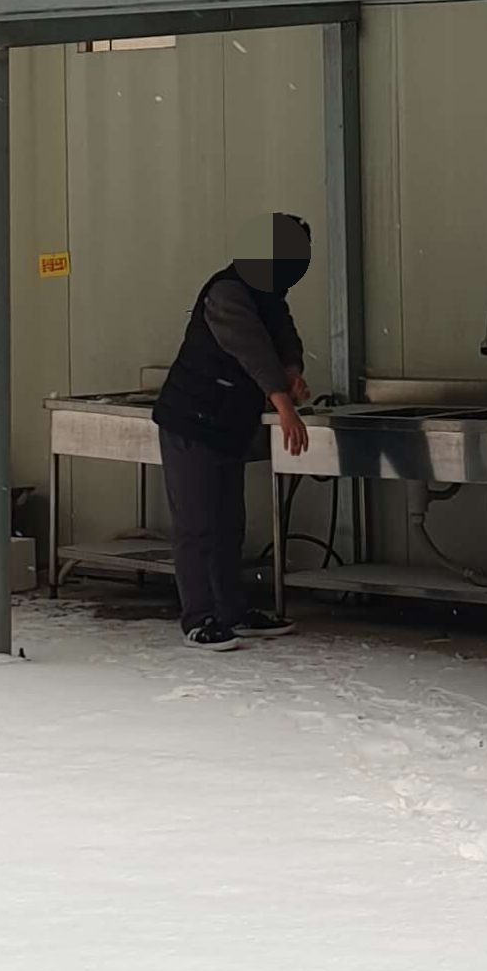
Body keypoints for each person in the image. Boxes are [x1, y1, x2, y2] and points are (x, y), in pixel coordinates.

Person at [150, 213, 312, 649]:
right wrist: (283, 404)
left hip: (226, 424)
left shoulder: (268, 292)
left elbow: (283, 337)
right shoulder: (228, 292)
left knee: (227, 523)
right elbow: (252, 349)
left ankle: (233, 612)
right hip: (192, 421)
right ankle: (199, 617)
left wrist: (293, 371)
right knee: (197, 524)